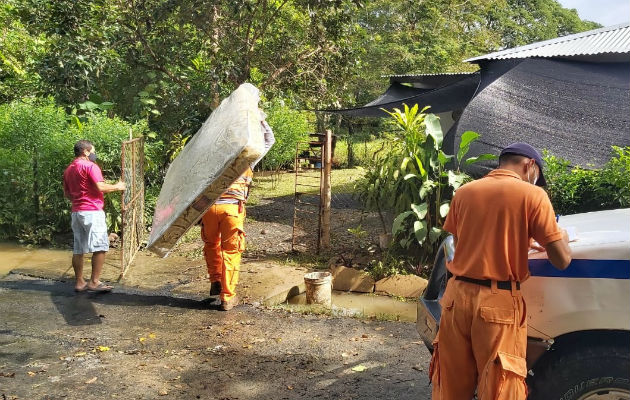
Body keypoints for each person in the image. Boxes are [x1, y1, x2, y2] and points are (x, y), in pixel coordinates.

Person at [430, 142, 572, 400]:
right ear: (529, 165)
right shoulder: (533, 195)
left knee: (449, 386)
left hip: (455, 299)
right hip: (497, 305)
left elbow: (461, 244)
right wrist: (560, 235)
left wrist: (519, 239)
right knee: (500, 387)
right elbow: (561, 259)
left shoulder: (464, 192)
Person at [201, 110, 275, 311]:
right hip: (232, 211)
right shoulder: (247, 160)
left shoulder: (211, 159)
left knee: (211, 244)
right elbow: (269, 140)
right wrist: (260, 120)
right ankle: (227, 297)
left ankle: (216, 280)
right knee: (231, 252)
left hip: (209, 209)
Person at [63, 140, 126, 293]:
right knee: (101, 246)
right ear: (85, 151)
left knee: (79, 248)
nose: (94, 154)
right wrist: (118, 186)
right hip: (92, 211)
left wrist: (79, 201)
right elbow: (100, 186)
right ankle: (94, 282)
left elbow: (67, 194)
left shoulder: (68, 170)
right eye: (93, 151)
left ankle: (79, 282)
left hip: (77, 212)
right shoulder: (90, 166)